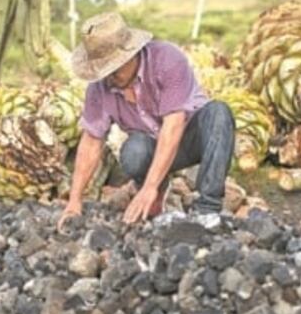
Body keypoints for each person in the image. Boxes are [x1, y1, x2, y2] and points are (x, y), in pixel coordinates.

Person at [58, 12, 235, 229]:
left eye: (115, 68)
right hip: (151, 146)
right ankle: (158, 195)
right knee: (133, 151)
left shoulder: (167, 59)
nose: (110, 76)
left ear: (132, 54)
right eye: (105, 71)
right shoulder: (100, 87)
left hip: (190, 138)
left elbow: (173, 125)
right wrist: (74, 200)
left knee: (218, 113)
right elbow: (91, 141)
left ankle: (207, 210)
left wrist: (148, 187)